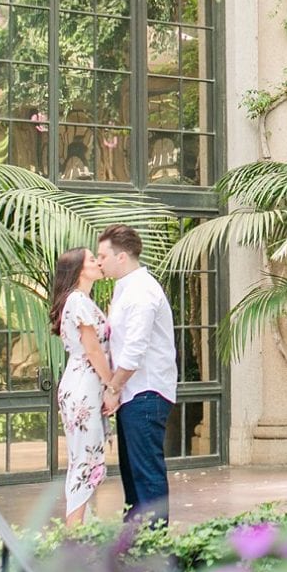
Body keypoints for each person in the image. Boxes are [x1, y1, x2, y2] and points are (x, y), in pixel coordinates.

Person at [97, 223, 177, 525]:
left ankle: (155, 550)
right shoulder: (124, 288)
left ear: (122, 257)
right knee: (132, 477)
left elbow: (134, 349)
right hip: (133, 394)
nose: (99, 261)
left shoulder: (142, 291)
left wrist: (113, 388)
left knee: (146, 477)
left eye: (103, 256)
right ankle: (135, 548)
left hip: (146, 393)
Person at [49, 247, 112, 525]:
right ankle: (73, 533)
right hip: (84, 385)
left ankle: (79, 528)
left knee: (83, 460)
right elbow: (93, 350)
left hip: (82, 384)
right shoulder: (78, 301)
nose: (98, 262)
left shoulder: (79, 300)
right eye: (91, 259)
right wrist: (113, 385)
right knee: (85, 462)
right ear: (78, 270)